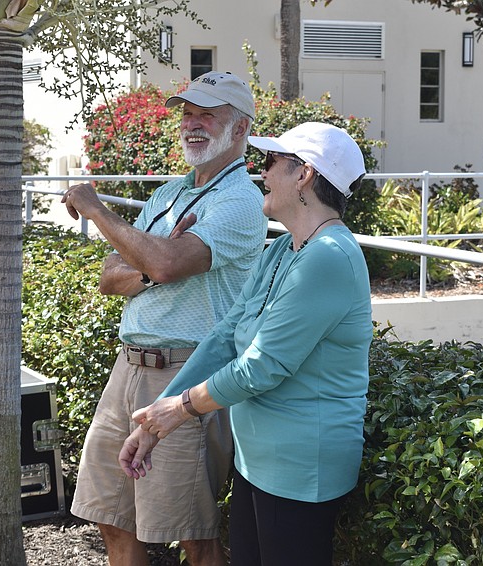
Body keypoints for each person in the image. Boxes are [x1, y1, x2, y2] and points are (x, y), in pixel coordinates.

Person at [118, 122, 373, 566]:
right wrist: (156, 417)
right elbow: (225, 337)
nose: (262, 172)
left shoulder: (329, 257)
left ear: (304, 175)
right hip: (256, 461)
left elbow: (261, 366)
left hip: (301, 467)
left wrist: (179, 408)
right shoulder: (282, 250)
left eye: (273, 162)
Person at [63, 71, 268, 566]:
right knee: (111, 514)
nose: (192, 124)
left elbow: (164, 262)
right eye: (187, 113)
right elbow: (111, 277)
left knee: (191, 534)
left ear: (240, 130)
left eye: (208, 114)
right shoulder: (168, 194)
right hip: (127, 369)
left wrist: (97, 210)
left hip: (185, 376)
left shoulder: (241, 201)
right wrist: (157, 263)